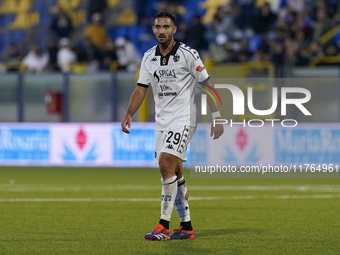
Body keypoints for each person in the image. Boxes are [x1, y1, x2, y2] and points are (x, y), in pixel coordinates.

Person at [120, 11, 224, 241]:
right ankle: (186, 226)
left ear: (174, 30)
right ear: (153, 30)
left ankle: (163, 225)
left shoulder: (188, 55)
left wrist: (217, 117)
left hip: (184, 119)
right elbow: (140, 89)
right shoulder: (148, 57)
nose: (161, 31)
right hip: (163, 122)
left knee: (165, 164)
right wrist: (129, 113)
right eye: (158, 27)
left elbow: (207, 85)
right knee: (175, 172)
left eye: (166, 27)